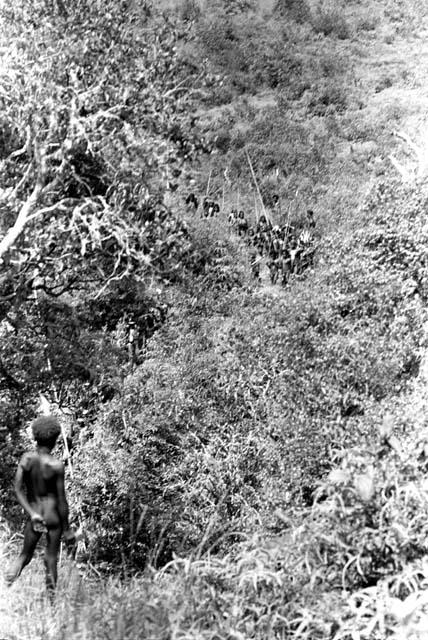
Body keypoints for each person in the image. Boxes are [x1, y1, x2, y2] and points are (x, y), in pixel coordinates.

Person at [6, 415, 75, 594]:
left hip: (36, 512)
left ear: (35, 437)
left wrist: (32, 513)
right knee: (51, 559)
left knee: (24, 555)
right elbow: (62, 501)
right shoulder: (57, 465)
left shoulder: (27, 459)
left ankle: (6, 584)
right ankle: (51, 606)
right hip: (53, 516)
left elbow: (18, 489)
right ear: (54, 440)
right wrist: (67, 530)